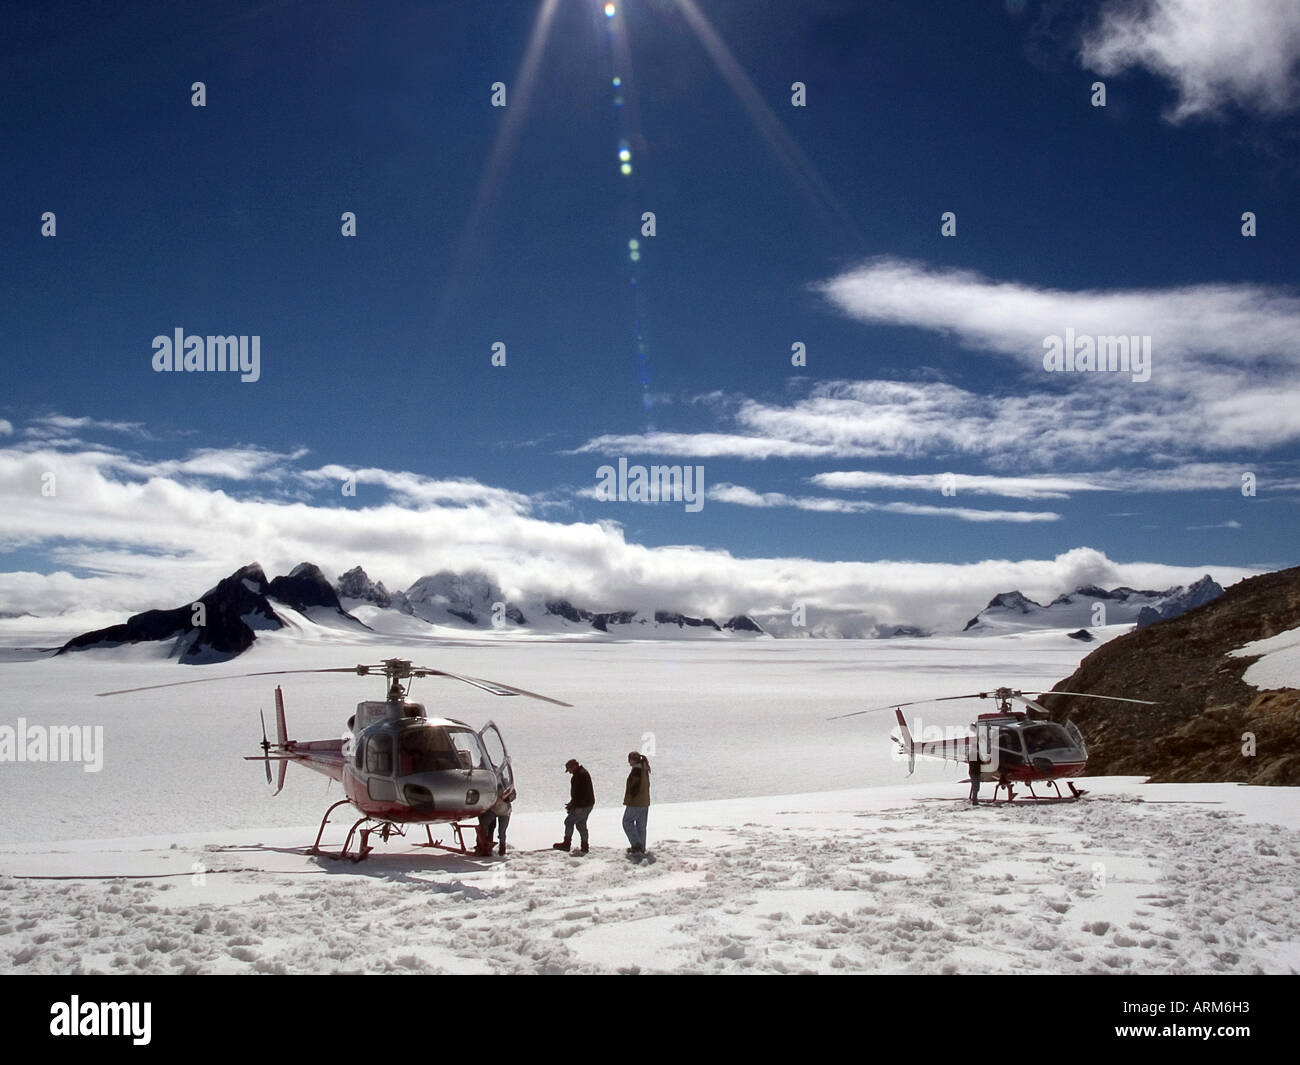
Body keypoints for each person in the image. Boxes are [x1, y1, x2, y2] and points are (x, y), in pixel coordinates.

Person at [554, 759, 594, 854]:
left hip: (582, 806)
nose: (569, 772)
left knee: (569, 822)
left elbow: (578, 794)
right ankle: (585, 846)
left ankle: (566, 844)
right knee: (581, 824)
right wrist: (572, 804)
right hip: (588, 804)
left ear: (574, 766)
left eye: (569, 770)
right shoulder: (583, 773)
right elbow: (580, 794)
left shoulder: (578, 776)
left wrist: (573, 805)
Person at [622, 751, 651, 854]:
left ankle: (636, 845)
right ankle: (641, 847)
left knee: (627, 822)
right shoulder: (644, 769)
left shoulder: (636, 771)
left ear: (632, 760)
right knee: (641, 826)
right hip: (645, 802)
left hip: (636, 803)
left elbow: (634, 787)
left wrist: (629, 799)